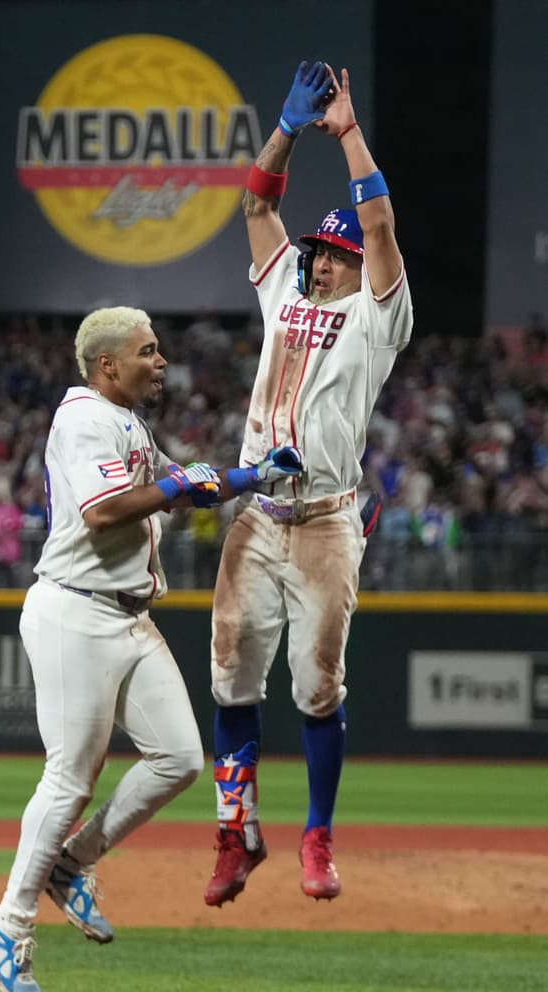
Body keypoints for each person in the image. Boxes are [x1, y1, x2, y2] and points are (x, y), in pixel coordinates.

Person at [0, 306, 303, 992]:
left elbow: (177, 485)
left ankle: (72, 864)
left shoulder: (125, 420)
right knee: (69, 778)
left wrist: (251, 477)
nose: (161, 362)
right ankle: (8, 921)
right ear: (108, 365)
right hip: (76, 612)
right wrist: (184, 485)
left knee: (179, 760)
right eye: (147, 352)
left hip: (126, 614)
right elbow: (104, 511)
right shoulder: (84, 419)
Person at [203, 60, 413, 908]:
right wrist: (286, 129)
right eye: (319, 252)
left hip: (325, 521)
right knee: (228, 679)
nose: (322, 264)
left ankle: (316, 837)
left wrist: (347, 131)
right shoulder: (278, 292)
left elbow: (380, 219)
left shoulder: (377, 314)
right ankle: (232, 834)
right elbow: (255, 206)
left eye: (337, 254)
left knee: (316, 688)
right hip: (257, 515)